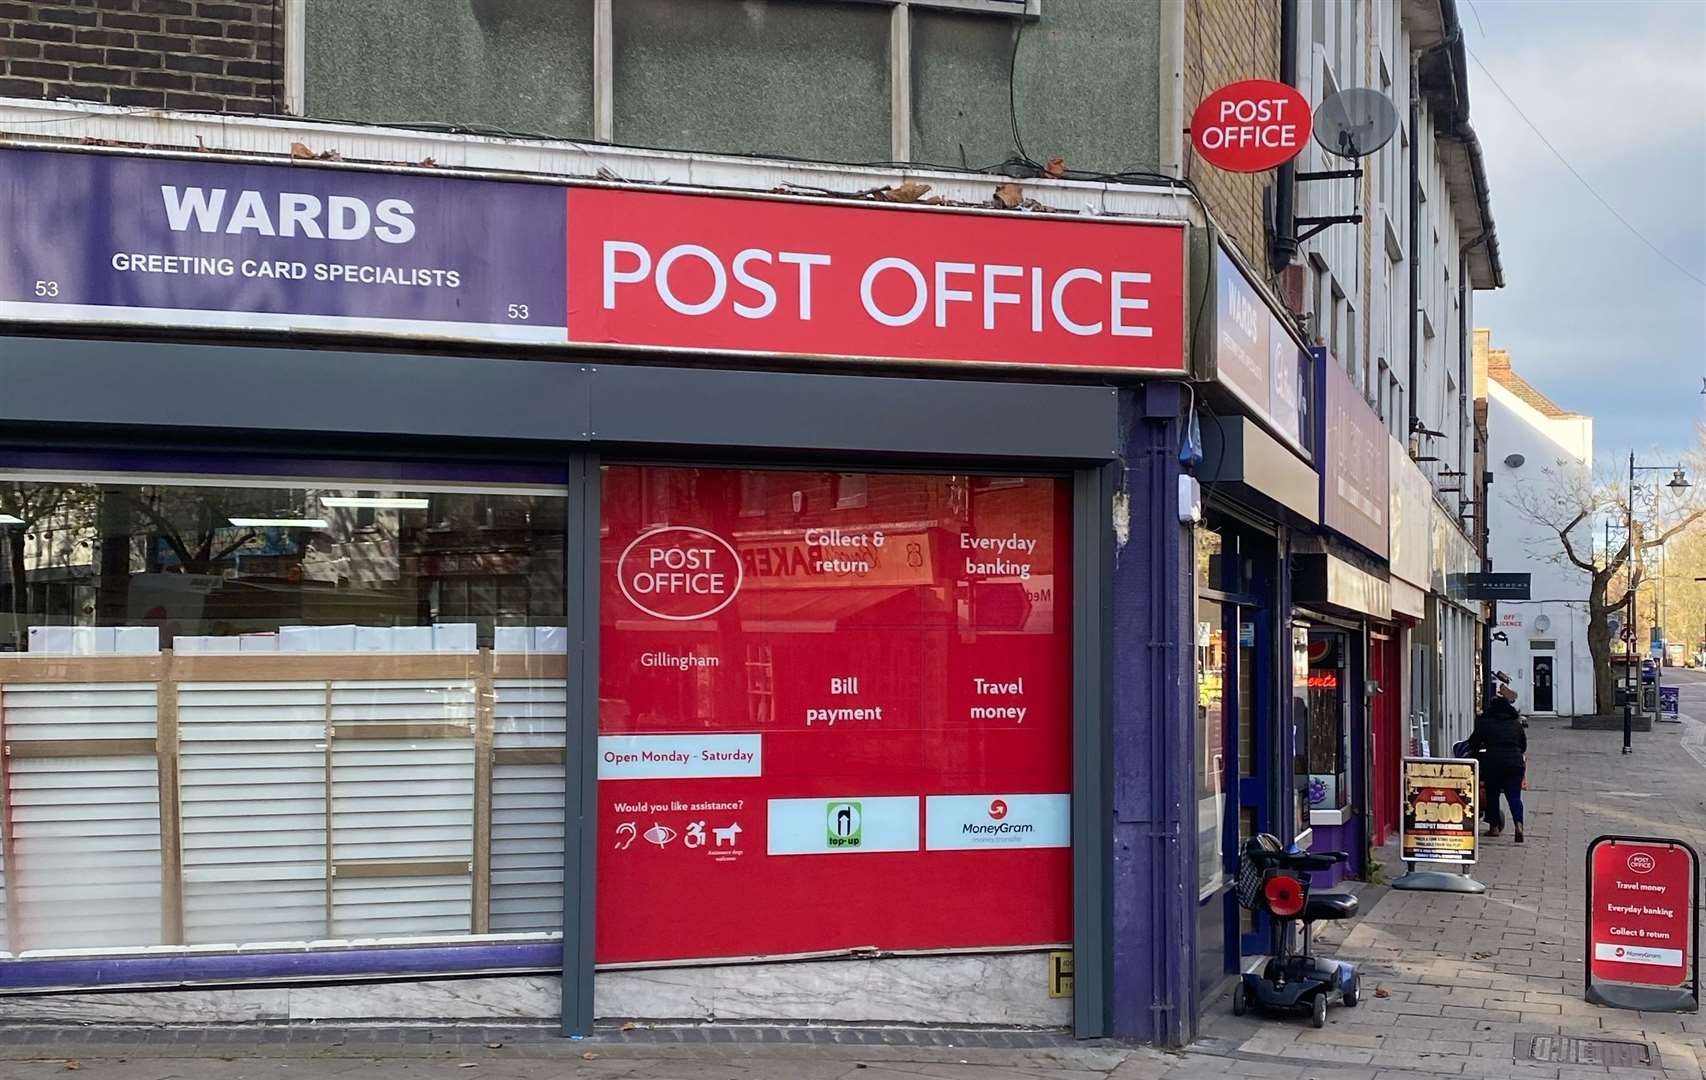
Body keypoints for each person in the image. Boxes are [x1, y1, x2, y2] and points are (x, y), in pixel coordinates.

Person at [1464, 685, 1528, 842]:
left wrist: (1480, 751)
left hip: (1493, 763)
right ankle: (1518, 824)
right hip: (1515, 763)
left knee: (1492, 794)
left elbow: (1473, 743)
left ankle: (1494, 828)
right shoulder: (1516, 724)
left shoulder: (1484, 722)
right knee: (1514, 796)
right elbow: (1523, 745)